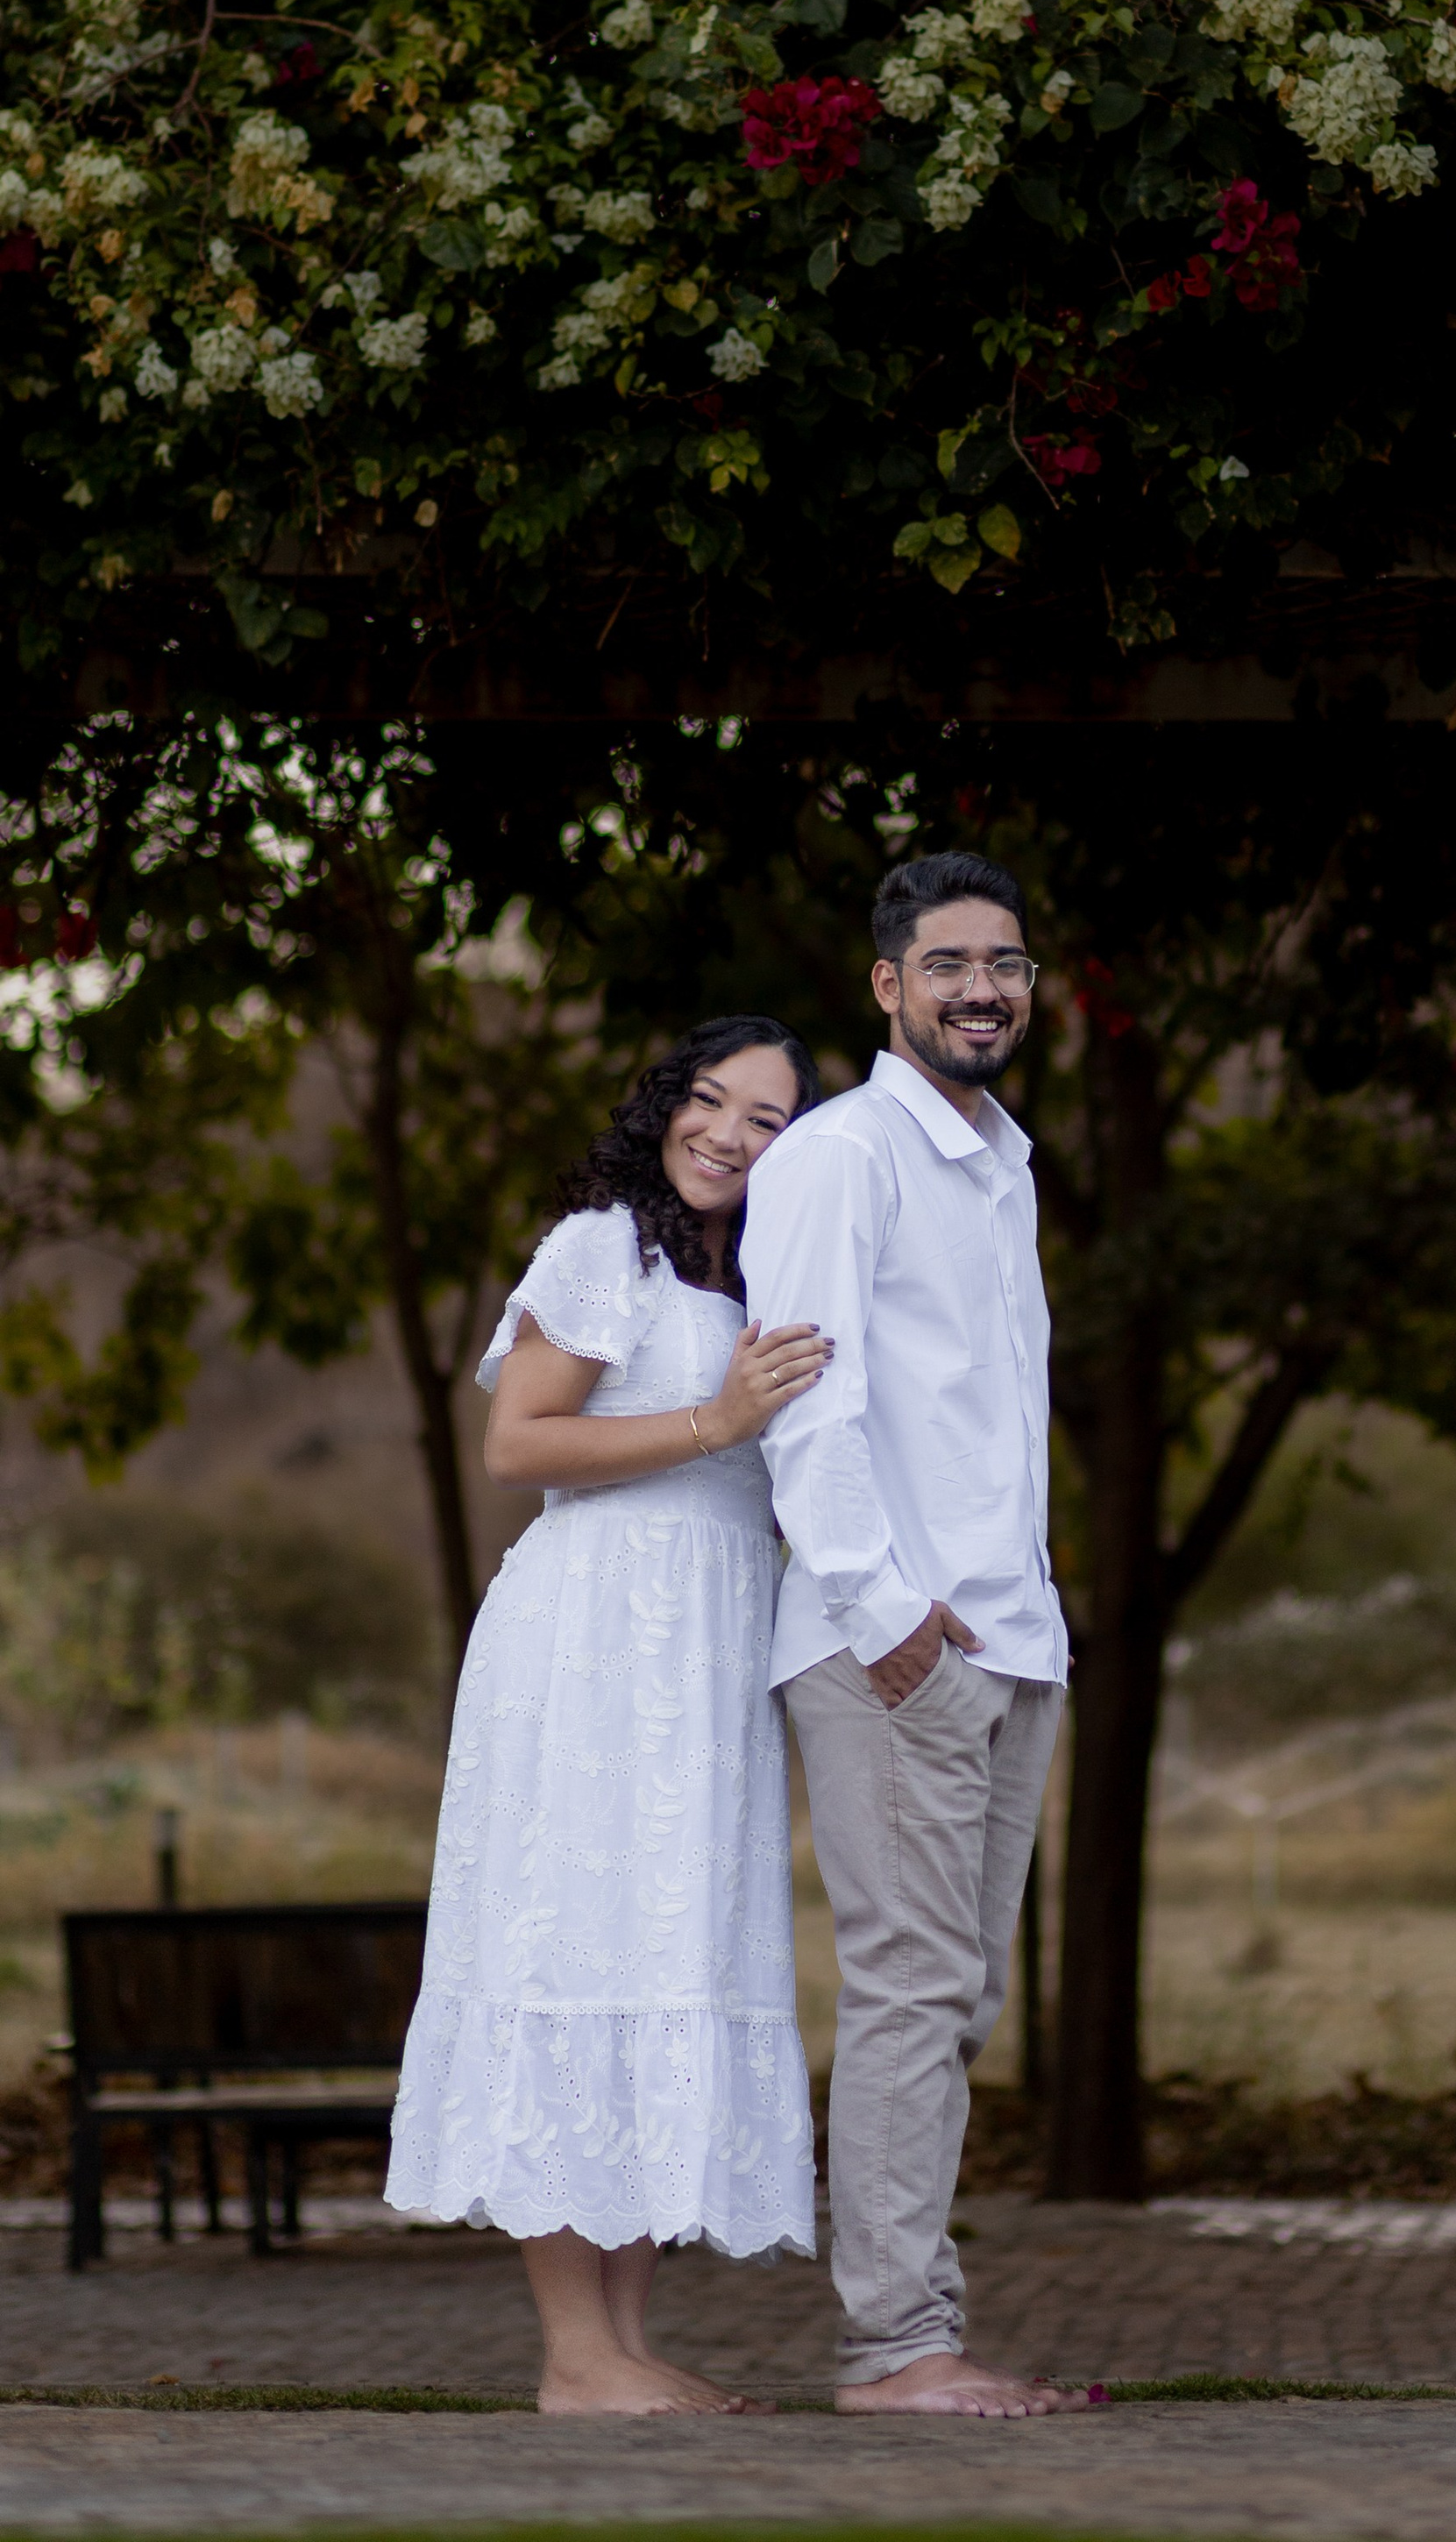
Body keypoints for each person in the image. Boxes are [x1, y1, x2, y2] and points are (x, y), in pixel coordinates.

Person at [384, 1016, 833, 2416]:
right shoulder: (603, 1247)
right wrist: (716, 1418)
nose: (726, 1133)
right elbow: (519, 1443)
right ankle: (571, 2353)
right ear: (666, 1108)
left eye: (765, 1120)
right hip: (591, 1641)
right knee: (575, 1952)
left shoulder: (760, 1274)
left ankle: (626, 2349)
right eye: (709, 1100)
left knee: (666, 1961)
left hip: (707, 1649)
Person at [742, 849, 1096, 2419]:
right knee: (909, 1986)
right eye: (948, 963)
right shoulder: (839, 1155)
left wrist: (1021, 1626)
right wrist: (887, 1620)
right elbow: (805, 1390)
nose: (980, 989)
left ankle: (914, 2329)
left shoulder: (1000, 1159)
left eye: (1005, 965)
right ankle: (897, 2351)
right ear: (887, 984)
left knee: (956, 1998)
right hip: (894, 1645)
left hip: (1007, 1643)